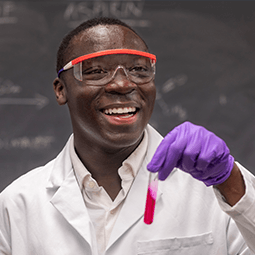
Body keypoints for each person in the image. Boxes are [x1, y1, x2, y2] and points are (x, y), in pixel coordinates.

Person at [0, 16, 254, 255]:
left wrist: (229, 180)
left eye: (139, 70)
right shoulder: (18, 205)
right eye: (96, 71)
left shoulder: (220, 189)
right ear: (60, 90)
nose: (123, 84)